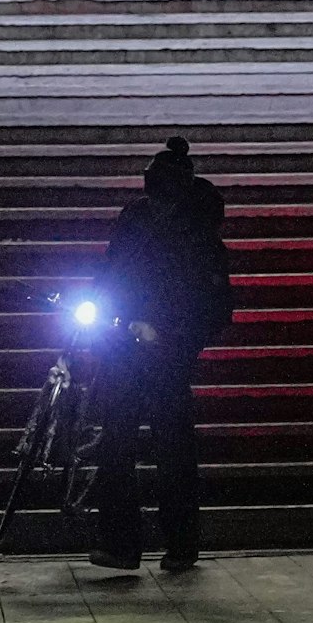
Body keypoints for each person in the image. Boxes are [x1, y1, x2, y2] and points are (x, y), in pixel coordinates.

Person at [85, 136, 234, 572]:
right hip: (125, 346)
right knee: (118, 443)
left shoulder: (198, 235)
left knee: (170, 448)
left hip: (168, 351)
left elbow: (207, 300)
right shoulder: (137, 219)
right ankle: (122, 543)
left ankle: (179, 544)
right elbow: (114, 269)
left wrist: (171, 334)